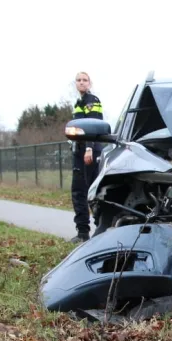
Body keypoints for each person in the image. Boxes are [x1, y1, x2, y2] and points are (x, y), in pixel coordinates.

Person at [69, 71, 104, 243]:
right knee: (78, 191)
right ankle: (82, 232)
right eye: (79, 80)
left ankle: (102, 229)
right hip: (78, 152)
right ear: (75, 83)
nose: (82, 83)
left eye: (85, 80)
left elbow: (94, 126)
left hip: (89, 152)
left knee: (93, 192)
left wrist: (89, 148)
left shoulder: (92, 101)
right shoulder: (79, 102)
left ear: (90, 83)